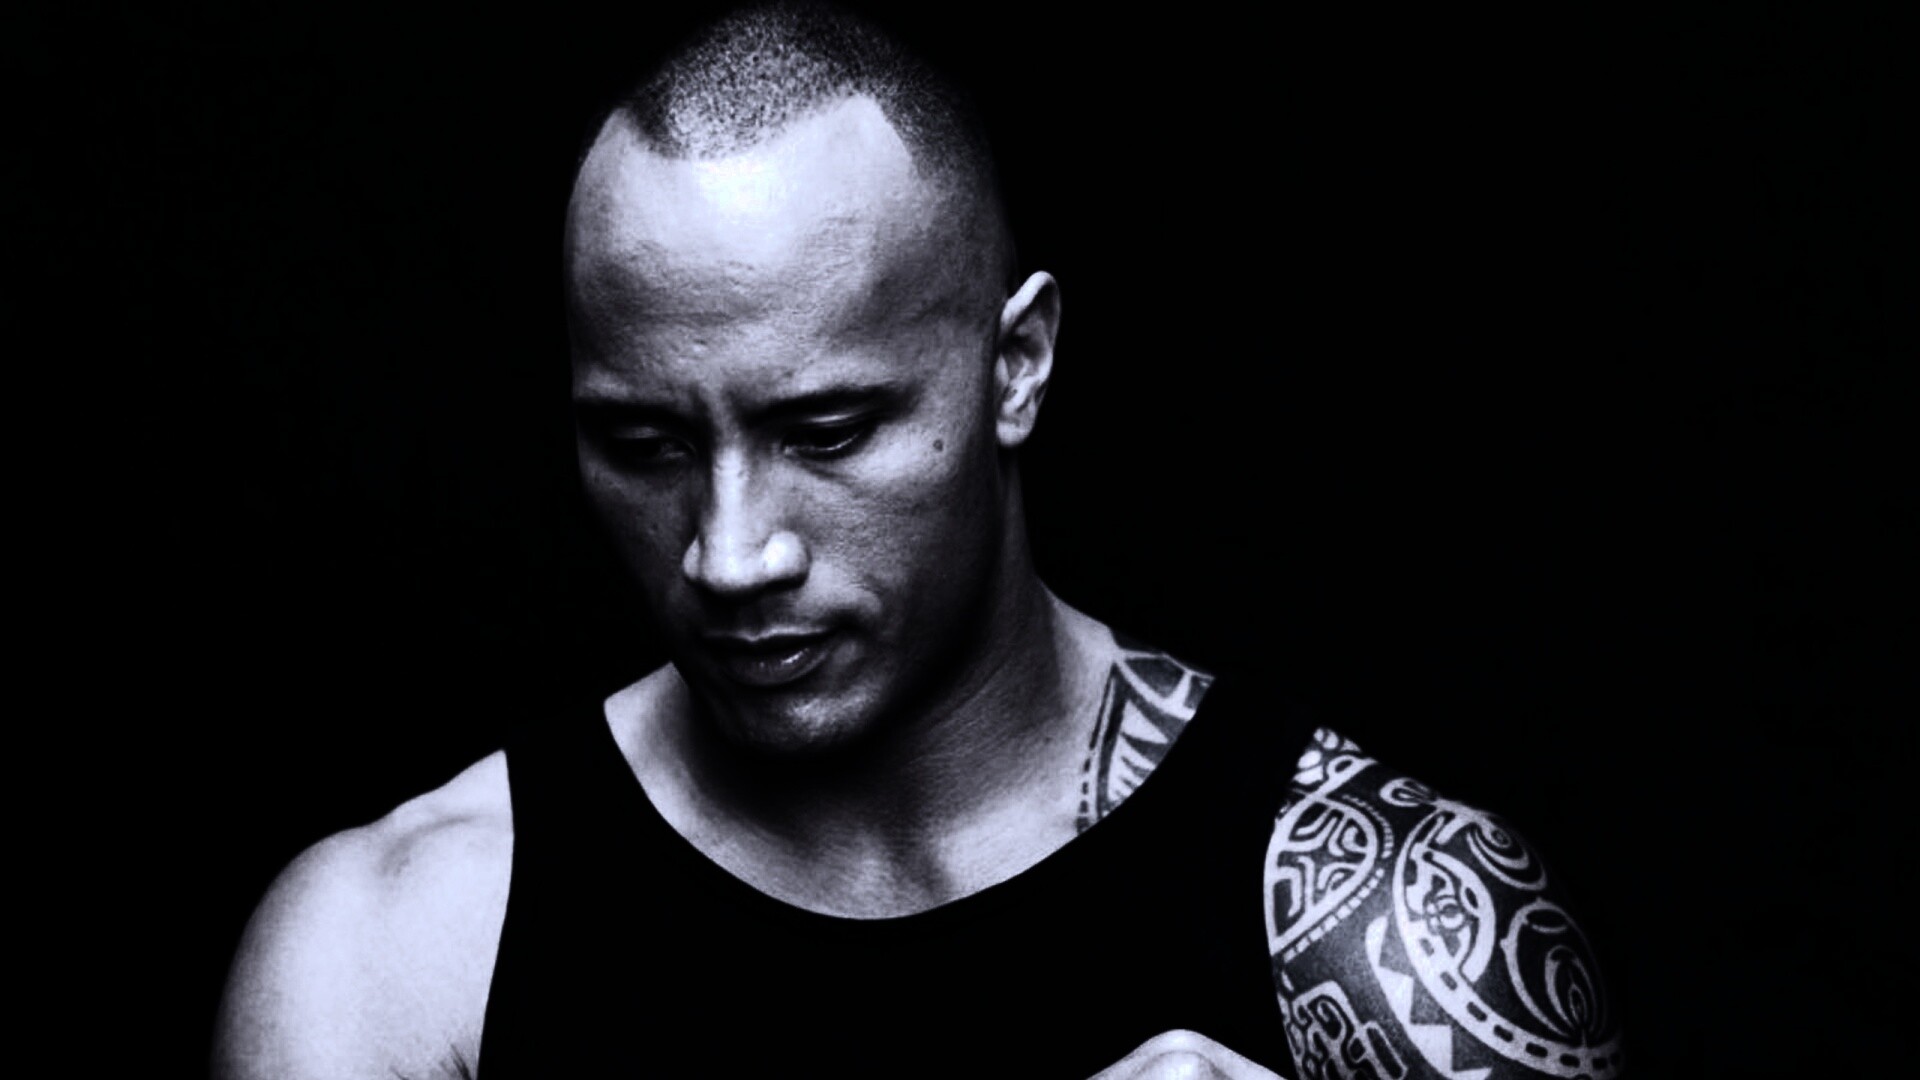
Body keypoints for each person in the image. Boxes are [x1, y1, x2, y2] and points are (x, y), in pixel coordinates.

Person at [213, 4, 1621, 1077]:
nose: (730, 555)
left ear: (1017, 367)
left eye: (827, 431)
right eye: (645, 446)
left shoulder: (1393, 931)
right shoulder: (393, 958)